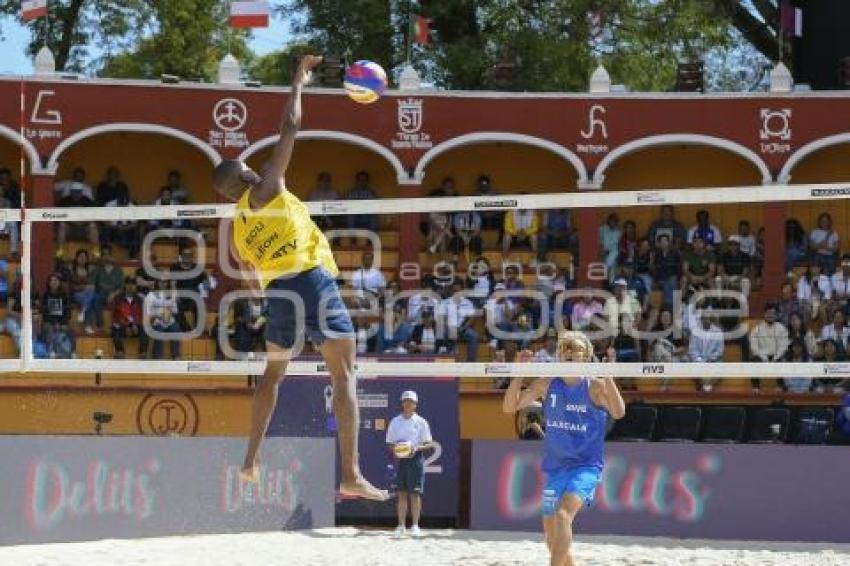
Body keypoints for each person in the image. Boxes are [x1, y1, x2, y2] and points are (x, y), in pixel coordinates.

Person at [211, 55, 387, 501]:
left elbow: (251, 279)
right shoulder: (266, 188)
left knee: (272, 375)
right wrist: (298, 82)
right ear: (247, 175)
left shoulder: (239, 225)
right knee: (344, 374)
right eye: (249, 167)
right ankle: (350, 473)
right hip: (309, 281)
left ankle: (250, 460)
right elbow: (290, 127)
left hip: (278, 295)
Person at [502, 331, 625, 566]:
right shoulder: (548, 383)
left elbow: (619, 412)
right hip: (556, 470)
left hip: (585, 468)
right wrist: (518, 373)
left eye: (575, 347)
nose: (569, 351)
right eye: (565, 348)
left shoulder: (594, 386)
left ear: (587, 355)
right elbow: (510, 407)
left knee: (562, 514)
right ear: (559, 354)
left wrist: (609, 377)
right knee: (552, 537)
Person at [386, 390, 434, 538]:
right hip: (401, 461)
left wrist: (415, 448)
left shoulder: (421, 422)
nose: (408, 403)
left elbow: (428, 443)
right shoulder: (395, 421)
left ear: (415, 404)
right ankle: (400, 526)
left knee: (415, 494)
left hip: (416, 460)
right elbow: (390, 443)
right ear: (402, 403)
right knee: (401, 494)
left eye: (411, 401)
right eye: (405, 401)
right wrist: (398, 450)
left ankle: (415, 526)